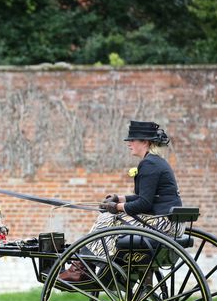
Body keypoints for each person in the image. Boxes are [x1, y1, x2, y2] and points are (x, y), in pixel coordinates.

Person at [60, 121, 183, 282]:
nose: (129, 143)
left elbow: (143, 204)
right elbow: (147, 197)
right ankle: (87, 264)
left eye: (132, 140)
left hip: (161, 223)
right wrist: (119, 199)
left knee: (107, 219)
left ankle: (82, 267)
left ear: (145, 142)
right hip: (169, 221)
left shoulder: (149, 164)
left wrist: (116, 207)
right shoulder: (156, 162)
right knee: (111, 218)